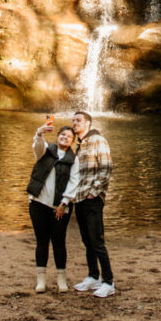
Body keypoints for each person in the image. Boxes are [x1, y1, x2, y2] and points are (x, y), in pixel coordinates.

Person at [57, 110, 115, 298]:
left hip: (91, 199)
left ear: (88, 123)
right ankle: (93, 276)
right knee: (87, 240)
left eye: (79, 120)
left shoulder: (98, 140)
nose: (75, 123)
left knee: (97, 241)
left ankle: (108, 281)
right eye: (73, 120)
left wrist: (94, 192)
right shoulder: (80, 145)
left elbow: (106, 167)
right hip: (79, 199)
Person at [27, 116, 79, 293]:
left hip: (59, 207)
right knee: (42, 242)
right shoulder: (46, 150)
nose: (65, 137)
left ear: (73, 141)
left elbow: (74, 182)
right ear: (57, 136)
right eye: (62, 135)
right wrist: (39, 133)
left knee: (59, 242)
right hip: (38, 203)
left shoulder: (74, 159)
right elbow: (37, 147)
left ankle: (61, 279)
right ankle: (41, 280)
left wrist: (64, 203)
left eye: (69, 136)